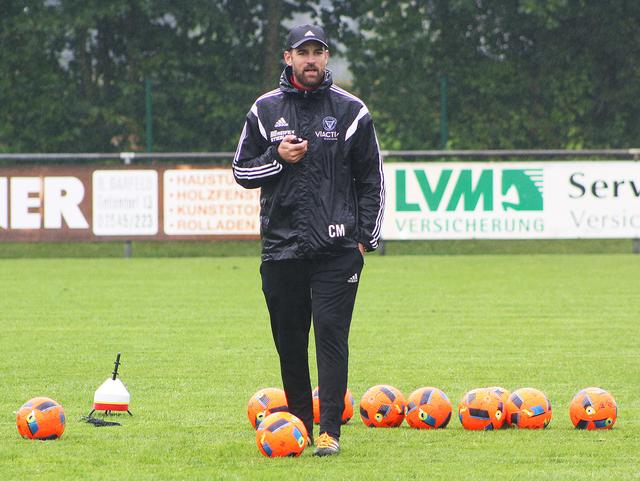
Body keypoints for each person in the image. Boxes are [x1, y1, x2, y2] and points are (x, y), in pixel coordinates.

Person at [233, 24, 384, 457]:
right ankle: (298, 426)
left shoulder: (351, 111)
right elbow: (242, 172)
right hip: (282, 250)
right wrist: (277, 159)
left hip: (338, 250)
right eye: (304, 52)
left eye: (318, 52)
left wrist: (363, 241)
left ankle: (330, 432)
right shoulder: (265, 110)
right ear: (288, 58)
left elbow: (372, 179)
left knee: (332, 338)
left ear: (327, 57)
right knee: (291, 343)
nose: (312, 60)